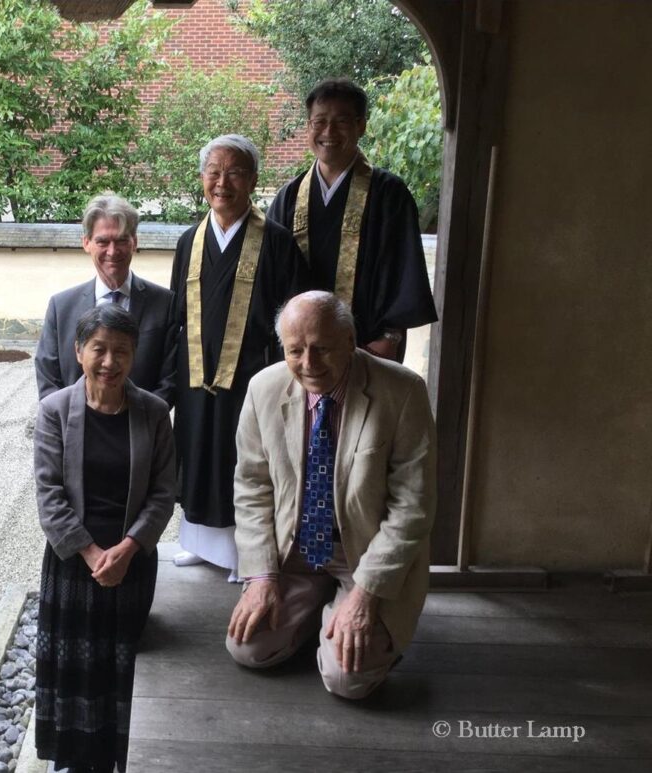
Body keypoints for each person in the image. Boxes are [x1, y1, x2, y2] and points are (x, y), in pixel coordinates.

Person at [227, 291, 435, 699]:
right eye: (295, 350)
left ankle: (345, 610)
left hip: (363, 554)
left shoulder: (403, 391)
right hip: (296, 549)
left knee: (348, 681)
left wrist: (366, 594)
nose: (309, 363)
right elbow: (251, 487)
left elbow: (412, 507)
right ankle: (318, 607)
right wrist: (262, 576)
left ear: (350, 342)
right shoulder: (263, 389)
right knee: (248, 648)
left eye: (322, 348)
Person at [33, 304, 176, 772]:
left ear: (134, 355)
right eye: (99, 349)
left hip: (131, 562)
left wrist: (129, 548)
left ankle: (121, 755)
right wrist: (92, 553)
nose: (110, 362)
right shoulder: (55, 411)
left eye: (122, 351)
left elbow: (163, 492)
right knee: (75, 669)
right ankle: (76, 758)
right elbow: (49, 494)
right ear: (79, 351)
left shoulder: (154, 413)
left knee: (122, 666)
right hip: (74, 564)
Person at [169, 134, 310, 580]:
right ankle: (196, 542)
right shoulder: (189, 241)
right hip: (195, 373)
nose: (222, 183)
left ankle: (244, 553)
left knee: (246, 459)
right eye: (213, 172)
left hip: (252, 373)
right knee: (196, 452)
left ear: (252, 180)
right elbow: (177, 314)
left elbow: (291, 317)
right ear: (201, 179)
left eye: (234, 173)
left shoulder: (277, 242)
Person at [267, 78, 437, 362]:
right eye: (319, 122)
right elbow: (272, 273)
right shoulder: (289, 196)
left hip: (369, 345)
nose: (328, 132)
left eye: (341, 121)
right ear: (308, 127)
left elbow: (403, 271)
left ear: (361, 126)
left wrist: (390, 337)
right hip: (301, 351)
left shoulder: (389, 194)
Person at [35, 194, 177, 406]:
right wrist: (71, 419)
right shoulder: (61, 307)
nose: (112, 251)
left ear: (134, 242)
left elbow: (170, 380)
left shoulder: (164, 304)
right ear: (86, 243)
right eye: (102, 241)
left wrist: (142, 419)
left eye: (121, 240)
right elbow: (49, 380)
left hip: (142, 424)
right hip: (74, 424)